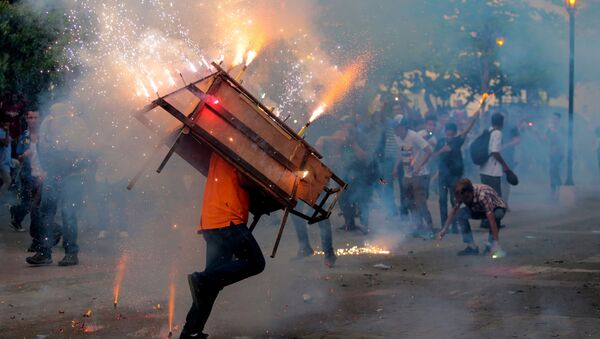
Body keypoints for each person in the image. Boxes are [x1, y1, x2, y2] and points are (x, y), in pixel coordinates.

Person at [182, 152, 265, 339]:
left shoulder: (221, 146)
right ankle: (201, 279)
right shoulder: (236, 146)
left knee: (209, 285)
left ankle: (190, 332)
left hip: (212, 222)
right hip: (228, 219)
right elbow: (247, 178)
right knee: (255, 262)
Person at [25, 103, 91, 266]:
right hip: (53, 175)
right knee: (45, 212)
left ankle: (71, 252)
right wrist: (47, 169)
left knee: (68, 213)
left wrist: (62, 149)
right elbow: (42, 150)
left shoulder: (77, 129)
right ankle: (44, 251)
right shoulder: (48, 127)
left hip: (72, 176)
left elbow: (78, 153)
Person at [438, 178, 507, 258]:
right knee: (460, 214)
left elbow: (491, 220)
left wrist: (496, 243)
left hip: (496, 208)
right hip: (478, 208)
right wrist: (444, 229)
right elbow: (453, 211)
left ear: (470, 193)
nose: (464, 201)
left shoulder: (482, 195)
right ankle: (472, 247)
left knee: (496, 216)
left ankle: (491, 245)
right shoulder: (460, 194)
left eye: (466, 198)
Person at [435, 111, 480, 234]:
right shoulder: (440, 142)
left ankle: (454, 225)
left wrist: (473, 120)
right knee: (442, 200)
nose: (449, 135)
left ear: (454, 133)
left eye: (451, 133)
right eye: (447, 132)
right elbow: (434, 156)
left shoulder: (457, 141)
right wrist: (442, 151)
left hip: (455, 175)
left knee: (454, 201)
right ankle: (445, 225)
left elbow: (465, 132)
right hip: (443, 176)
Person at [392, 115, 434, 238]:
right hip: (407, 175)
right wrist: (395, 167)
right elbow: (401, 153)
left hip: (420, 175)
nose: (395, 130)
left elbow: (429, 151)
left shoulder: (414, 136)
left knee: (421, 203)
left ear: (404, 127)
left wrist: (419, 166)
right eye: (394, 128)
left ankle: (430, 228)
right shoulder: (397, 137)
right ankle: (418, 226)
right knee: (410, 203)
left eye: (397, 127)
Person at [10, 111, 42, 235]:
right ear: (27, 120)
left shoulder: (44, 136)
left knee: (40, 204)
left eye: (35, 117)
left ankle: (38, 234)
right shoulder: (24, 137)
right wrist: (24, 155)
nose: (33, 120)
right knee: (28, 204)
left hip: (42, 174)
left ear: (39, 119)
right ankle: (16, 219)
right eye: (30, 117)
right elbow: (19, 157)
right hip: (27, 175)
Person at [479, 112, 512, 197]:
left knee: (487, 197)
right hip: (493, 172)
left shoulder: (488, 131)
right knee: (496, 199)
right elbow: (495, 152)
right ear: (502, 122)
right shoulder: (498, 133)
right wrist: (504, 165)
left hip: (483, 170)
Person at [499, 111, 521, 206]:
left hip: (508, 157)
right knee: (497, 181)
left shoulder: (512, 127)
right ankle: (497, 203)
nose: (503, 120)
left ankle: (504, 203)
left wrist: (505, 146)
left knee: (505, 181)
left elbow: (517, 140)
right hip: (495, 158)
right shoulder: (495, 127)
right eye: (501, 117)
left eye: (505, 117)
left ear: (507, 117)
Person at [0, 119, 12, 197]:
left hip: (8, 160)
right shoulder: (1, 132)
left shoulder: (4, 132)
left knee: (17, 164)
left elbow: (9, 141)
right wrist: (7, 131)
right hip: (2, 162)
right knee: (8, 181)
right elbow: (6, 143)